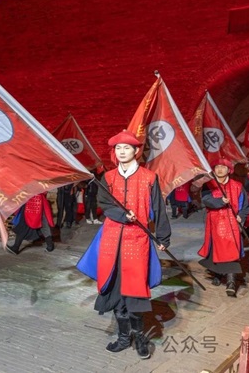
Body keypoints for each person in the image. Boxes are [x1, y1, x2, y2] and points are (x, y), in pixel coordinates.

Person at [78, 130, 171, 360]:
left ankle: (139, 337)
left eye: (126, 148)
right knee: (116, 290)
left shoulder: (149, 177)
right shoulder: (108, 178)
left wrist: (163, 237)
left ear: (136, 151)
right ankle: (123, 337)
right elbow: (104, 203)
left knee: (135, 293)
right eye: (118, 148)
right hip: (112, 240)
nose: (121, 151)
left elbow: (158, 208)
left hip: (137, 240)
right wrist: (122, 215)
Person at [198, 158, 249, 297]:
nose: (220, 169)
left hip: (232, 224)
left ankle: (231, 282)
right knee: (216, 250)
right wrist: (220, 201)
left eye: (223, 167)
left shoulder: (237, 186)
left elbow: (245, 204)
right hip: (215, 224)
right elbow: (206, 200)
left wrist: (241, 216)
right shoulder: (209, 185)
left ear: (229, 170)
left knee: (231, 251)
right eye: (217, 167)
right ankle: (218, 273)